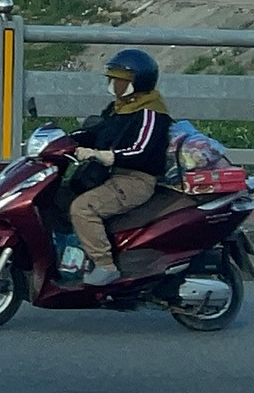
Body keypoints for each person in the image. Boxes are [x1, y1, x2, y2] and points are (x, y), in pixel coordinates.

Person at [57, 48, 172, 286]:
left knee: (83, 208)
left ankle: (104, 265)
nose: (114, 83)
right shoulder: (118, 108)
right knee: (58, 196)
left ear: (137, 82)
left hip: (134, 179)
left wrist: (106, 156)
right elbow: (97, 132)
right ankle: (69, 257)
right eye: (112, 77)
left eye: (121, 79)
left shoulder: (151, 113)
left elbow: (141, 150)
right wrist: (64, 140)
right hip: (107, 174)